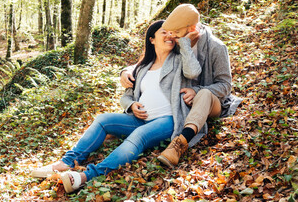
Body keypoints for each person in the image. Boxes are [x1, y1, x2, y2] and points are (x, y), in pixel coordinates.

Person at [32, 20, 201, 193]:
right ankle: (65, 163)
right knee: (103, 119)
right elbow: (127, 95)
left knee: (139, 135)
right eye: (163, 32)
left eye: (171, 33)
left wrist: (185, 44)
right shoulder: (142, 67)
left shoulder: (179, 60)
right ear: (152, 39)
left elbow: (193, 72)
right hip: (138, 119)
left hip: (167, 120)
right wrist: (132, 105)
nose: (169, 36)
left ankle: (87, 176)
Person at [120, 4, 242, 168]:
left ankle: (180, 143)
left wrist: (196, 90)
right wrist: (126, 70)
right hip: (183, 105)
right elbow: (153, 59)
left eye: (176, 33)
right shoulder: (179, 41)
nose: (172, 37)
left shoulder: (216, 47)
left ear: (191, 28)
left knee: (204, 94)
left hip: (211, 103)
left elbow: (225, 85)